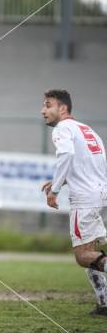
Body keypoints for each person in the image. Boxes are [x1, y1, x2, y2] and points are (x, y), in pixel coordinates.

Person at [41, 89, 107, 316]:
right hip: (100, 195)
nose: (43, 111)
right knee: (93, 254)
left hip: (84, 200)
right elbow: (91, 167)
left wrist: (55, 190)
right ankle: (104, 303)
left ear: (63, 108)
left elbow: (66, 155)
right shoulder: (88, 130)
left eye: (48, 105)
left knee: (82, 256)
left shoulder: (63, 128)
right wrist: (61, 180)